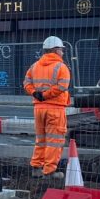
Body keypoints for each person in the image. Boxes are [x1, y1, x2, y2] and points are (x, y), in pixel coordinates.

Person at [23, 36, 71, 178]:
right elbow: (62, 86)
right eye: (61, 50)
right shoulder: (61, 67)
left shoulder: (34, 66)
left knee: (41, 139)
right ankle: (49, 171)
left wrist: (35, 93)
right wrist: (46, 95)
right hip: (55, 108)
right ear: (56, 50)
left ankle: (36, 167)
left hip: (39, 108)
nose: (62, 53)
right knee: (54, 140)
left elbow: (26, 83)